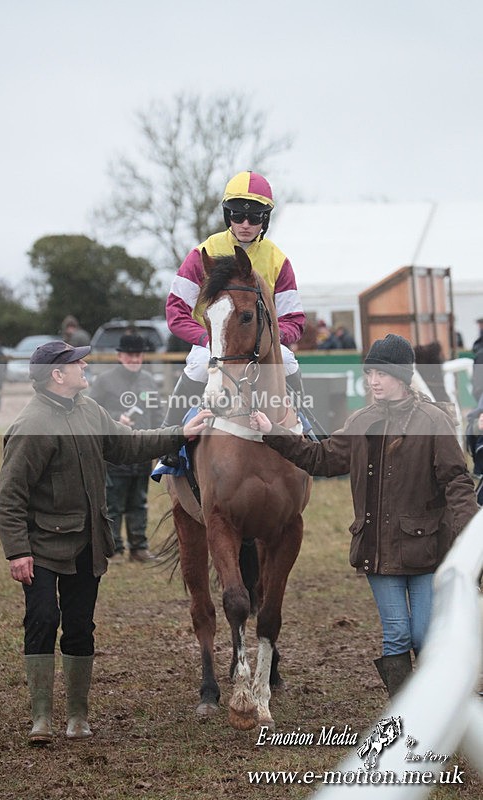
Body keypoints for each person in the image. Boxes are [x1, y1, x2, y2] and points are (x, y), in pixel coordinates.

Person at [0, 340, 211, 746]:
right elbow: (9, 497)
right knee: (42, 621)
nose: (85, 365)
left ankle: (77, 716)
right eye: (78, 362)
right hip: (40, 548)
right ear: (58, 375)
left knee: (80, 627)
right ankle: (41, 718)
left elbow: (127, 444)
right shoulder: (32, 425)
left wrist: (178, 434)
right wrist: (17, 551)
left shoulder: (90, 410)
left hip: (88, 543)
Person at [250, 333, 478, 697]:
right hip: (376, 548)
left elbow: (457, 481)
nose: (373, 381)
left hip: (426, 549)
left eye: (381, 375)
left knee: (422, 633)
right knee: (397, 633)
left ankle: (439, 698)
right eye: (369, 374)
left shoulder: (434, 420)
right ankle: (405, 710)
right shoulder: (361, 420)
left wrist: (471, 535)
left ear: (402, 378)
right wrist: (273, 433)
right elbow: (320, 458)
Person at [161, 170, 306, 465]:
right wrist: (208, 339)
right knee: (200, 366)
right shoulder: (203, 253)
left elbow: (294, 319)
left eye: (254, 218)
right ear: (228, 215)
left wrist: (270, 339)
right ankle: (168, 440)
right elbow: (176, 312)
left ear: (264, 220)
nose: (245, 224)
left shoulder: (279, 260)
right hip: (213, 342)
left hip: (260, 345)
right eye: (238, 216)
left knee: (289, 362)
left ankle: (306, 428)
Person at [88, 333, 163, 562]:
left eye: (138, 355)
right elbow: (91, 410)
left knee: (138, 500)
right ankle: (114, 549)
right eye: (130, 355)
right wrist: (114, 418)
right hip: (115, 451)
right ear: (120, 356)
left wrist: (159, 439)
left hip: (141, 450)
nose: (134, 359)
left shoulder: (149, 381)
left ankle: (139, 547)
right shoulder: (104, 381)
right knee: (113, 501)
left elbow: (157, 412)